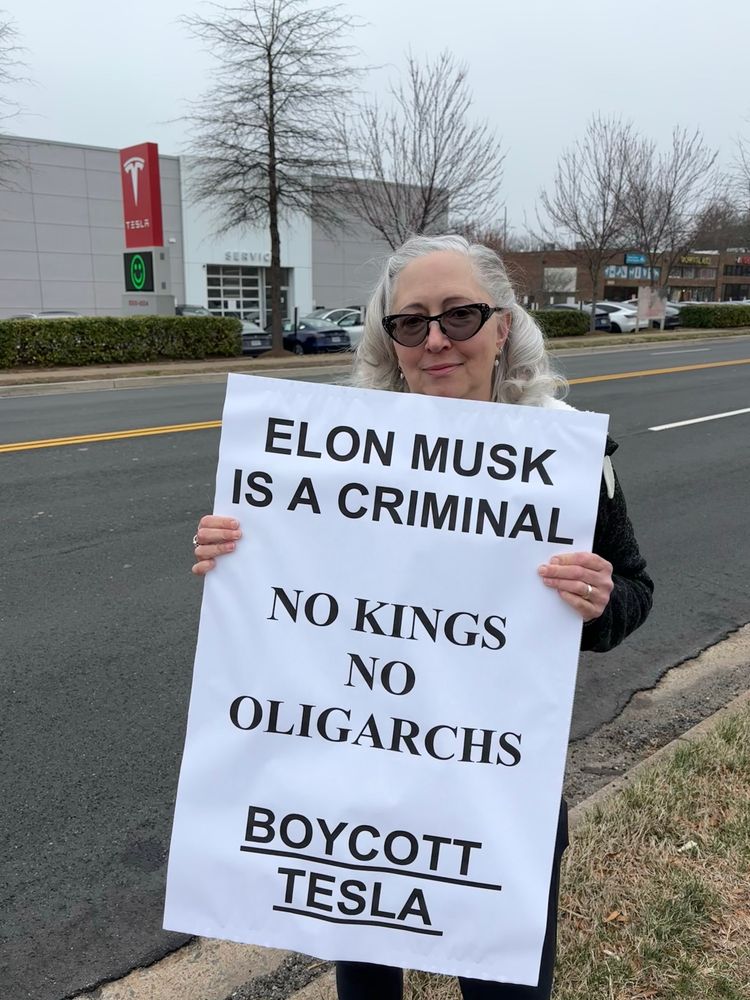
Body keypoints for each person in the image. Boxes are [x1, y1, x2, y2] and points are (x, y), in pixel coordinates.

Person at [191, 234, 654, 998]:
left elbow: (634, 589)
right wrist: (231, 557)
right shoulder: (329, 457)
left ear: (503, 326)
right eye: (410, 323)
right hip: (350, 793)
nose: (436, 340)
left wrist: (600, 602)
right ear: (390, 340)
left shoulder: (566, 459)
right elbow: (289, 607)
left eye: (459, 316)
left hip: (496, 793)